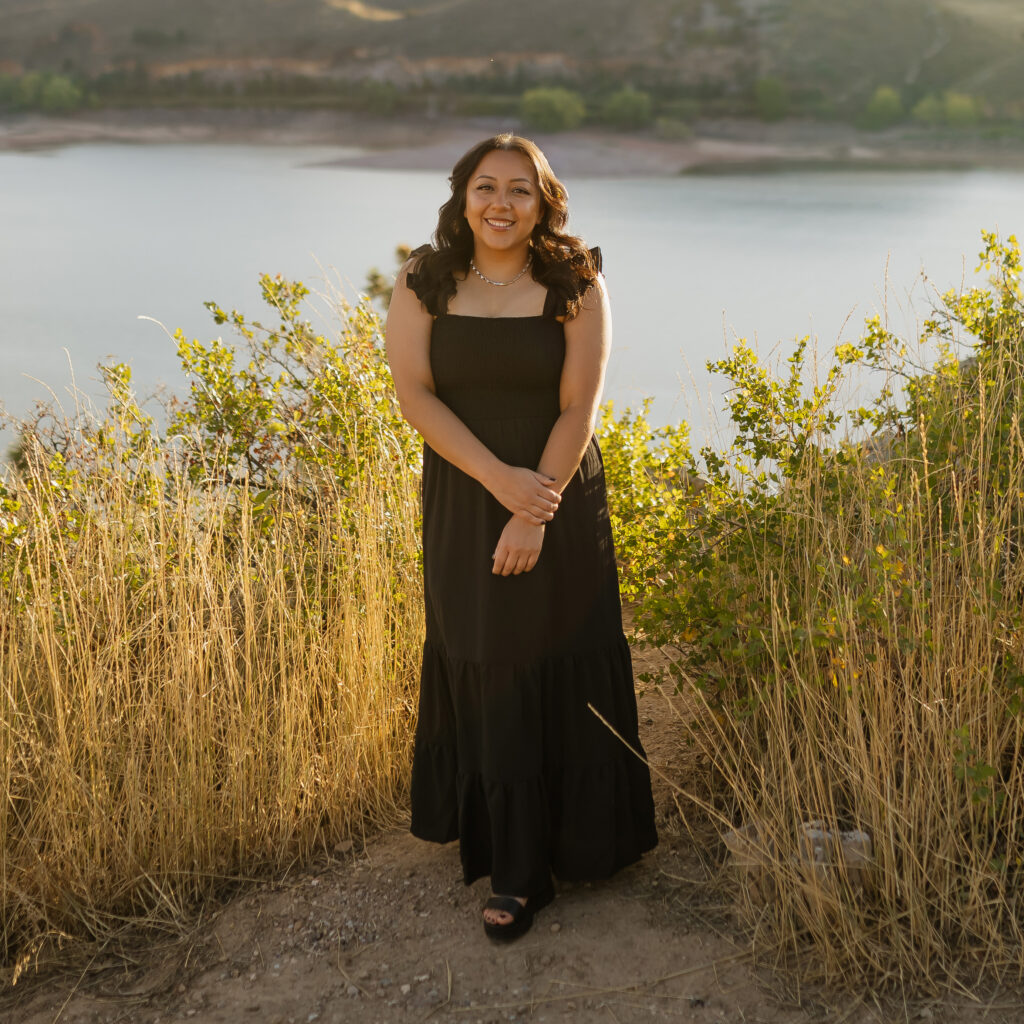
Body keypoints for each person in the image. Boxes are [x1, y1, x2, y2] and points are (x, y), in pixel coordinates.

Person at [384, 133, 657, 942]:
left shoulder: (576, 281)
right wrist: (498, 483)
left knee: (556, 651)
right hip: (466, 494)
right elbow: (414, 395)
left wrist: (534, 507)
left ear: (544, 204)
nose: (500, 203)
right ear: (462, 196)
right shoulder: (424, 278)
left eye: (520, 190)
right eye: (486, 186)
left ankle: (578, 841)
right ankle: (516, 864)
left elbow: (580, 406)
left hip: (557, 489)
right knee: (487, 652)